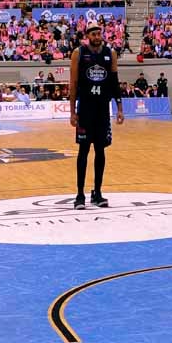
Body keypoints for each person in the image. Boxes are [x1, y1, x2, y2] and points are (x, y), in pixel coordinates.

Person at [69, 25, 124, 210]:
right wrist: (72, 112)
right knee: (83, 151)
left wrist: (119, 107)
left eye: (99, 33)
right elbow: (73, 83)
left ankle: (97, 192)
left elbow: (115, 82)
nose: (97, 36)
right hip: (85, 108)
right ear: (87, 36)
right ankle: (79, 195)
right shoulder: (79, 53)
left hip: (102, 109)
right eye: (93, 34)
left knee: (100, 151)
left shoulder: (110, 53)